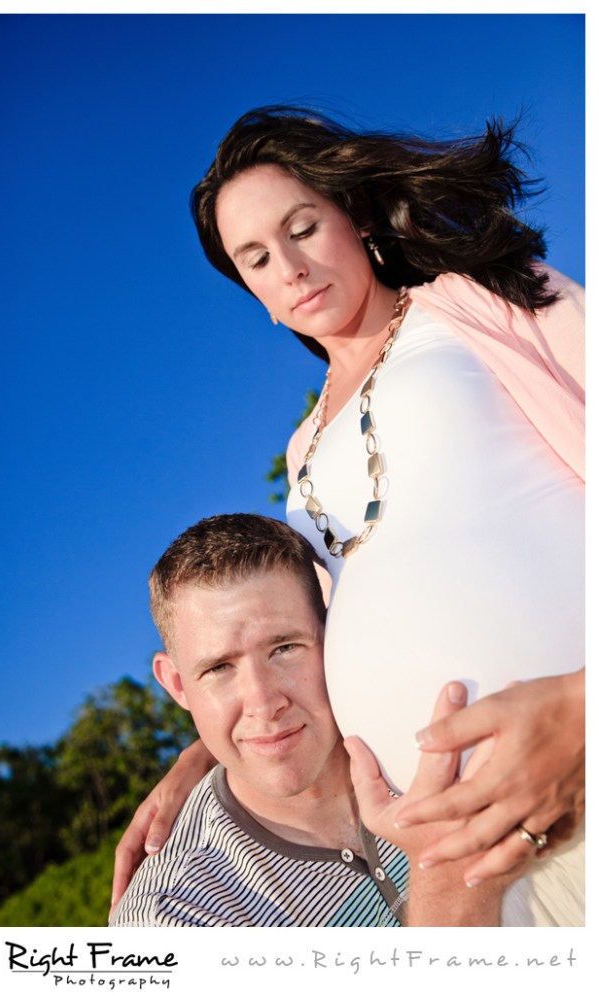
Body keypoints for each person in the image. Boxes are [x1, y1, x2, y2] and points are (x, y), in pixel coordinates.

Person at [111, 106, 584, 926]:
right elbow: (304, 649)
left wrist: (584, 707)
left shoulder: (478, 302)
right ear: (251, 291)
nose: (289, 267)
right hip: (475, 863)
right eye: (256, 258)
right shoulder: (301, 457)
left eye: (302, 228)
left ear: (355, 216)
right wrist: (207, 755)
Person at [111, 513, 527, 927]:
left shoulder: (428, 710)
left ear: (333, 635)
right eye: (219, 668)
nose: (264, 702)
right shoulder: (172, 917)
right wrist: (448, 882)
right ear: (177, 685)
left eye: (285, 648)